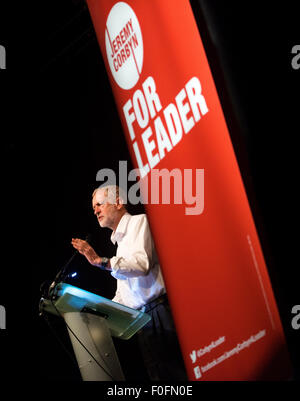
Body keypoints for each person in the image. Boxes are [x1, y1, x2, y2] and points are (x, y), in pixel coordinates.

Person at [71, 185, 187, 381]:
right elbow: (124, 295)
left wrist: (102, 262)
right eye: (93, 208)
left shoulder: (139, 223)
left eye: (99, 204)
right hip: (143, 322)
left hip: (160, 313)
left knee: (179, 376)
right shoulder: (120, 245)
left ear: (118, 202)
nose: (96, 211)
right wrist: (95, 311)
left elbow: (141, 265)